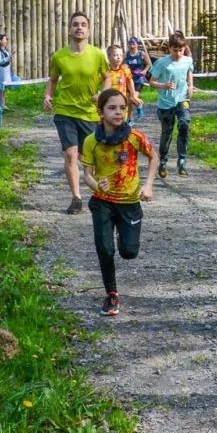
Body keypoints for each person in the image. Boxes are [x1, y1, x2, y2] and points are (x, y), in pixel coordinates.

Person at [80, 87, 156, 316]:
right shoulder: (91, 141)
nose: (118, 112)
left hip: (130, 202)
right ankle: (111, 295)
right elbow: (87, 175)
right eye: (112, 108)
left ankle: (125, 235)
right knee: (105, 249)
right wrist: (96, 185)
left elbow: (154, 156)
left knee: (129, 252)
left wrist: (149, 185)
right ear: (100, 112)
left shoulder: (135, 137)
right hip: (102, 201)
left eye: (123, 108)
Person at [43, 11, 109, 214]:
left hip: (89, 112)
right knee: (71, 154)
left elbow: (107, 77)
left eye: (83, 24)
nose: (79, 27)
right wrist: (47, 96)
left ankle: (102, 193)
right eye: (75, 25)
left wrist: (103, 95)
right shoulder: (59, 56)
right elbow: (53, 80)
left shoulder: (97, 54)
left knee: (89, 156)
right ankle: (76, 198)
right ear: (70, 30)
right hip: (65, 111)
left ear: (88, 30)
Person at [148, 31, 195, 178]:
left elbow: (189, 72)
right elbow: (151, 81)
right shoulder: (162, 63)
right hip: (166, 102)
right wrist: (164, 85)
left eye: (181, 50)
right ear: (169, 48)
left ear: (184, 48)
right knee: (167, 132)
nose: (178, 53)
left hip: (182, 99)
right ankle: (163, 160)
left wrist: (191, 85)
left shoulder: (187, 60)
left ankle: (182, 160)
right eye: (175, 50)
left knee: (184, 124)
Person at [102, 43, 142, 115]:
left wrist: (133, 95)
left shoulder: (124, 69)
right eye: (115, 55)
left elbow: (129, 80)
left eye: (121, 55)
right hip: (109, 102)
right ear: (108, 57)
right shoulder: (106, 71)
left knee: (122, 120)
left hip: (122, 102)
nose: (119, 57)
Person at [124, 36, 151, 116]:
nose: (131, 46)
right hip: (129, 80)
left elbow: (149, 64)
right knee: (128, 101)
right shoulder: (126, 54)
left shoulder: (141, 54)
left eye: (133, 44)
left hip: (138, 80)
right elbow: (121, 64)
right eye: (130, 44)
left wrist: (144, 71)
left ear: (137, 45)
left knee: (133, 98)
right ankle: (130, 119)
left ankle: (139, 104)